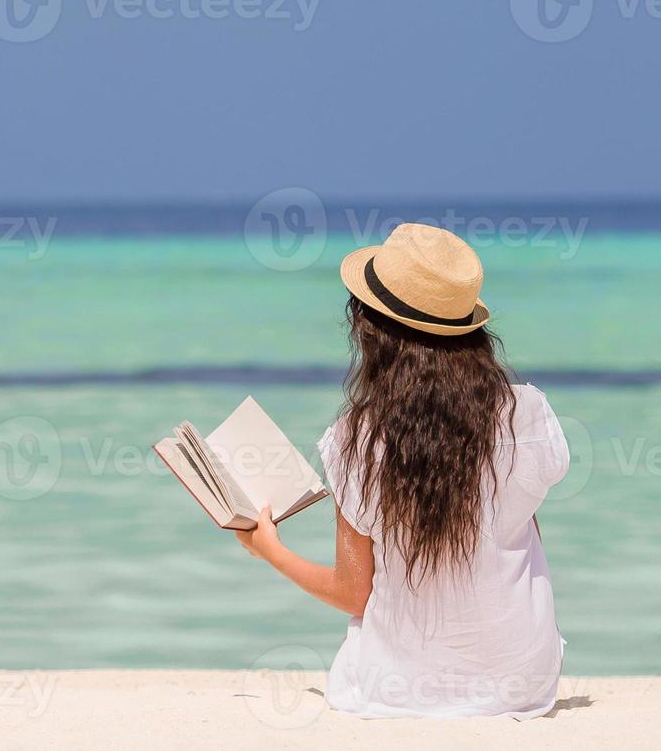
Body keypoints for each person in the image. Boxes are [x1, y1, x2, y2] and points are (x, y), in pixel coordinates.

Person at [236, 223, 569, 718]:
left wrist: (271, 551)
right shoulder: (529, 413)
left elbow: (353, 593)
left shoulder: (357, 438)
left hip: (397, 691)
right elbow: (522, 520)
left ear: (370, 329)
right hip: (521, 684)